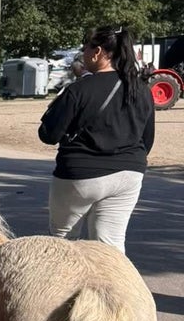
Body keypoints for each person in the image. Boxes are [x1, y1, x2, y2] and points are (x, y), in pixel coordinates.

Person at [37, 23, 154, 254]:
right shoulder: (141, 89)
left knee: (63, 241)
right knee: (110, 246)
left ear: (98, 51)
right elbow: (147, 140)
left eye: (85, 48)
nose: (84, 54)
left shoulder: (79, 89)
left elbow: (49, 135)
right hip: (128, 174)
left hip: (80, 175)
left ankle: (63, 287)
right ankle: (114, 289)